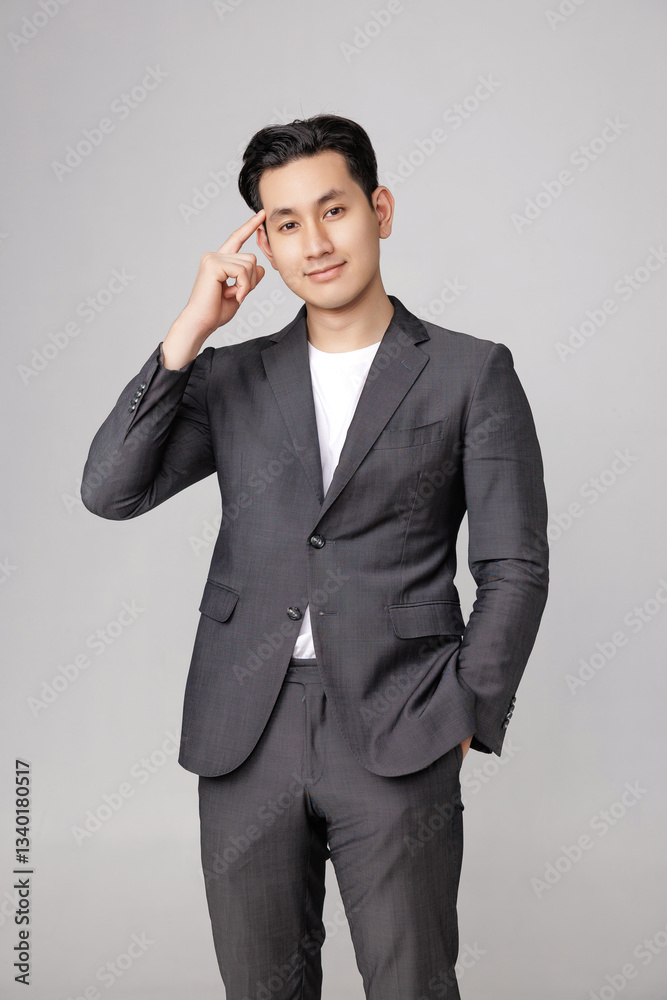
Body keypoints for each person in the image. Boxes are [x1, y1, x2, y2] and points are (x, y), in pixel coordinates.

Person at [81, 113, 549, 1000]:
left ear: (379, 210)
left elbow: (514, 566)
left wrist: (463, 713)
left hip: (401, 718)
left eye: (333, 210)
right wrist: (188, 331)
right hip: (244, 725)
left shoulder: (470, 372)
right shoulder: (230, 376)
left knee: (410, 984)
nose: (315, 243)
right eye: (286, 223)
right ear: (264, 242)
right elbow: (110, 490)